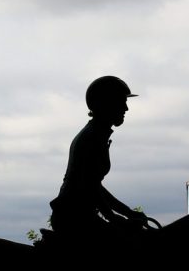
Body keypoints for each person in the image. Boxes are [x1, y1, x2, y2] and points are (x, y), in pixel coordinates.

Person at [48, 76, 151, 247]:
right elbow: (89, 187)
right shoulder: (91, 138)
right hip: (74, 218)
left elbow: (96, 187)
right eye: (121, 102)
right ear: (105, 104)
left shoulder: (97, 135)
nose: (126, 108)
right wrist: (115, 218)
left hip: (79, 215)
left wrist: (128, 213)